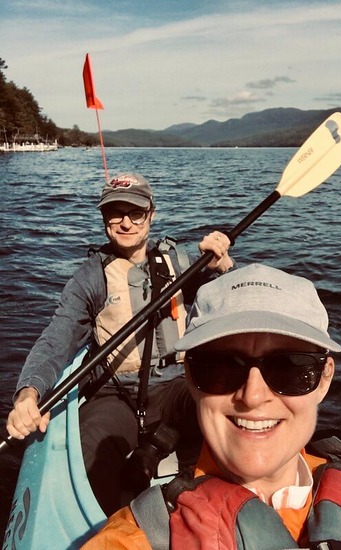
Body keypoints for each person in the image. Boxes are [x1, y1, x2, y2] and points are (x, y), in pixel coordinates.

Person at [82, 263, 341, 549]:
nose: (252, 396)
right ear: (190, 377)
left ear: (324, 379)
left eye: (289, 367)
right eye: (221, 367)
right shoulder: (134, 539)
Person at [6, 172, 233, 516]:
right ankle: (110, 528)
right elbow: (57, 338)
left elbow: (233, 308)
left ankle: (195, 494)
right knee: (89, 454)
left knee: (222, 412)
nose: (126, 223)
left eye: (136, 213)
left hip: (176, 385)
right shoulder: (90, 277)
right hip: (116, 394)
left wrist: (223, 269)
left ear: (151, 215)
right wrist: (29, 392)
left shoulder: (184, 262)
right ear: (104, 219)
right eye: (115, 213)